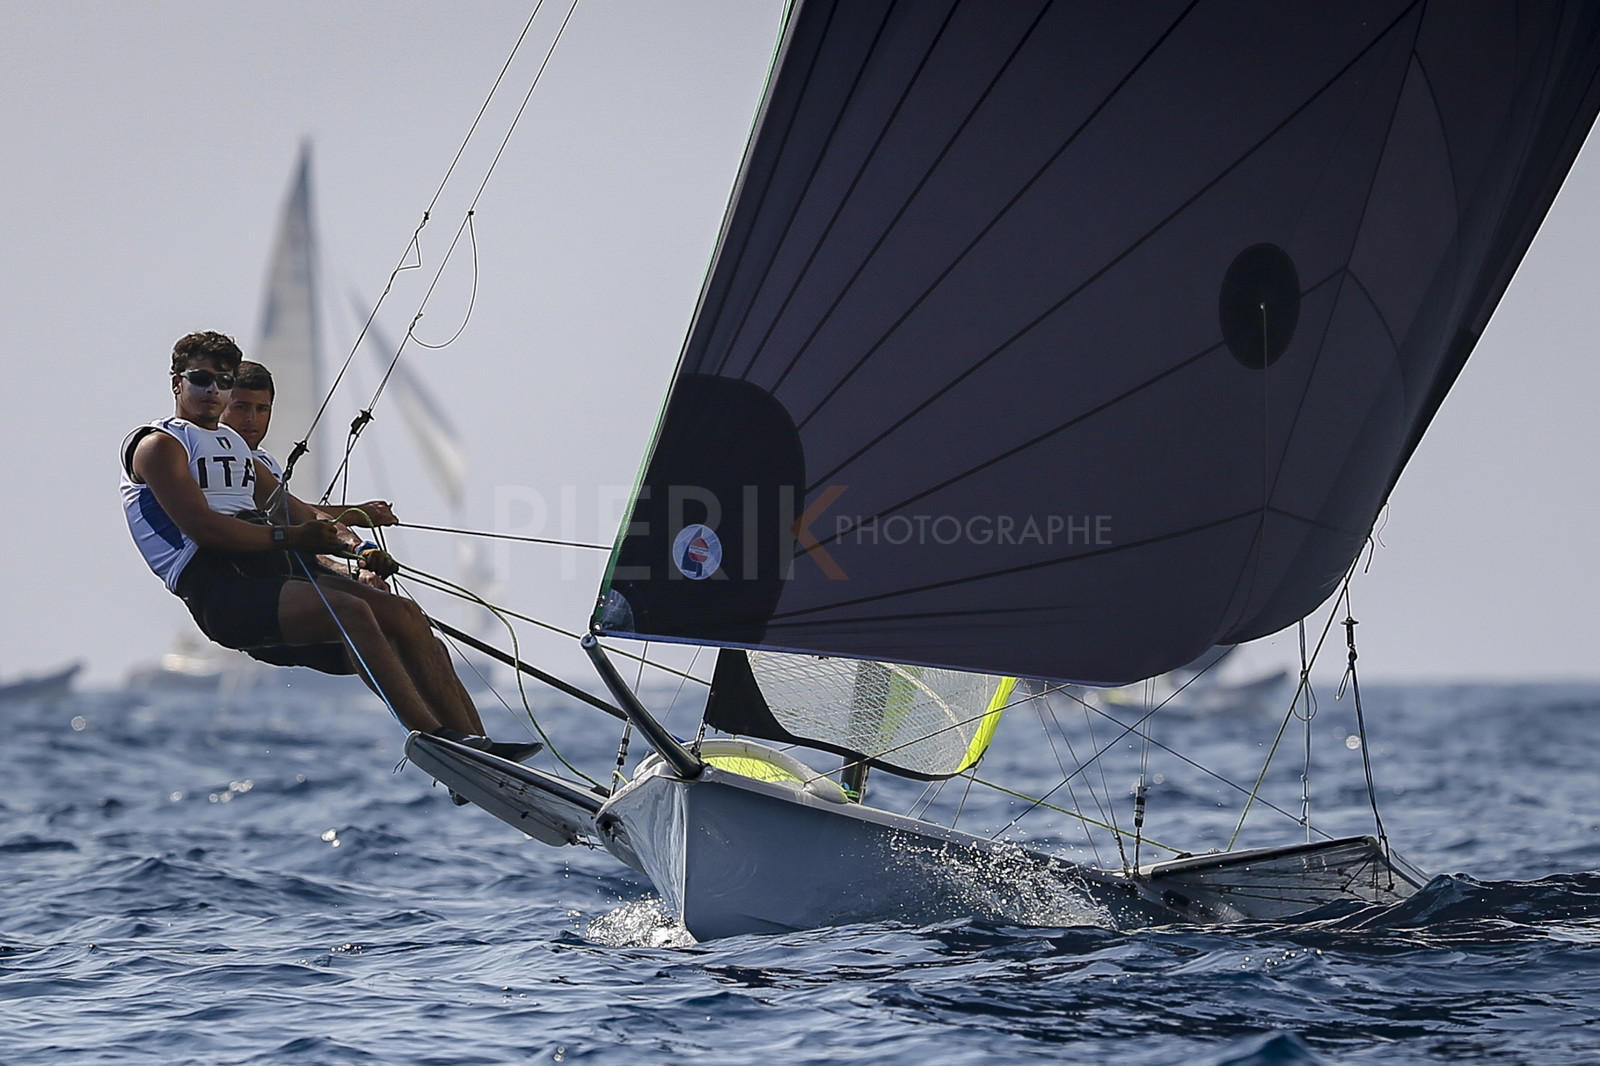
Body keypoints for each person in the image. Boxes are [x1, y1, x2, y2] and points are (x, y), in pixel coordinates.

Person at [121, 330, 537, 762]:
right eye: (201, 380)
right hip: (219, 590)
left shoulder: (235, 449)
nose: (214, 392)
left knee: (405, 614)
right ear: (177, 383)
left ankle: (481, 748)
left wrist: (357, 549)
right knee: (352, 610)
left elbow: (297, 512)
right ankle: (437, 742)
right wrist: (292, 537)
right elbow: (208, 530)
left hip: (266, 571)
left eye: (224, 382)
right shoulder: (159, 445)